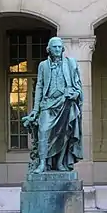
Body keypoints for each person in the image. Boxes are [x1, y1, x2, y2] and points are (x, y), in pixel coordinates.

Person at [23, 37, 83, 174]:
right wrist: (35, 109)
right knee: (43, 131)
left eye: (59, 47)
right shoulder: (43, 65)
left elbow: (78, 85)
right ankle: (43, 163)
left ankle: (61, 163)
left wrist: (75, 94)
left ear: (62, 49)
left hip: (65, 101)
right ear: (48, 49)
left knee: (64, 133)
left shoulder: (70, 64)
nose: (57, 49)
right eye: (54, 47)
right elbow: (39, 86)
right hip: (48, 103)